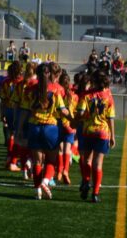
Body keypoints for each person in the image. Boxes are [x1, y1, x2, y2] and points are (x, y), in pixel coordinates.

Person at [18, 62, 69, 200]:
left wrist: (20, 128)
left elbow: (25, 110)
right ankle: (45, 182)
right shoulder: (56, 89)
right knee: (51, 160)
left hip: (34, 127)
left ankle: (37, 191)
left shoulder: (30, 89)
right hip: (50, 128)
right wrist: (73, 117)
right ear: (49, 74)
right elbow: (62, 110)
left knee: (37, 162)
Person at [77, 71, 116, 203]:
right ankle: (95, 193)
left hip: (88, 131)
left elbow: (80, 112)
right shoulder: (108, 95)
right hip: (102, 132)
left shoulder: (86, 95)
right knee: (98, 163)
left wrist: (81, 118)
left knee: (87, 160)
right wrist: (113, 136)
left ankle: (86, 181)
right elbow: (110, 117)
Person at [0, 61, 22, 170]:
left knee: (11, 135)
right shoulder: (22, 82)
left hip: (8, 110)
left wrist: (2, 113)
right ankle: (13, 161)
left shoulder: (5, 82)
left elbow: (3, 99)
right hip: (18, 111)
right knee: (18, 137)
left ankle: (9, 158)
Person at [57, 71, 78, 185]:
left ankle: (59, 171)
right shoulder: (74, 96)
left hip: (59, 123)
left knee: (60, 149)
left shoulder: (58, 94)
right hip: (70, 123)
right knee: (67, 149)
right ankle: (66, 170)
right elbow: (75, 111)